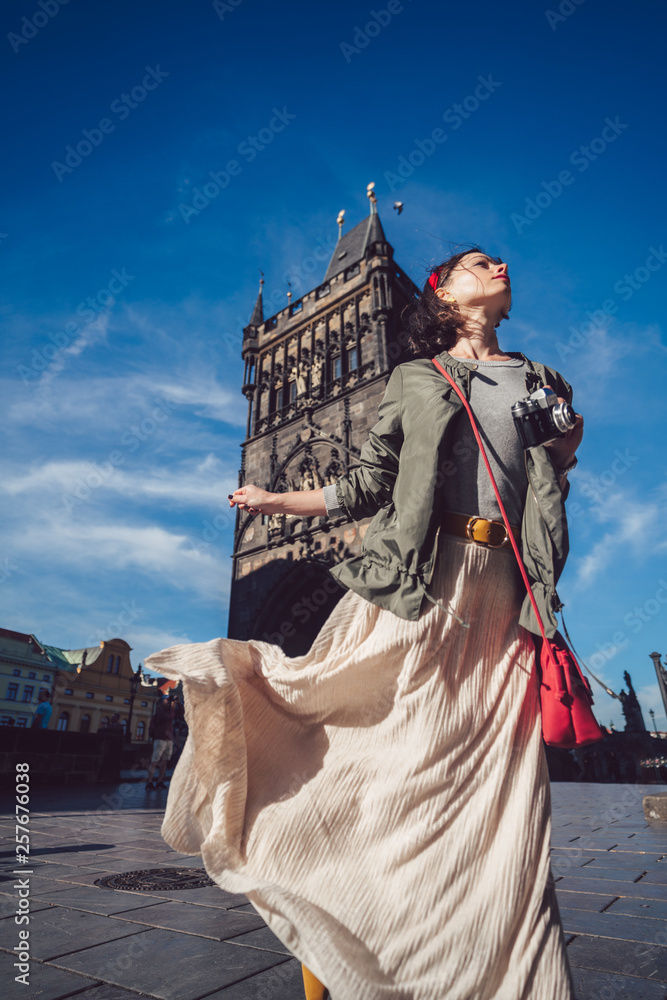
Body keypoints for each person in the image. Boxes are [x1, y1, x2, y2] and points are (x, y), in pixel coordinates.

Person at [146, 247, 583, 1000]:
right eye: (478, 263)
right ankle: (327, 925)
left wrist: (562, 438)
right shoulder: (414, 377)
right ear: (440, 293)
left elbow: (551, 468)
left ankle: (509, 973)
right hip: (422, 575)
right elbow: (369, 481)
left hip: (505, 598)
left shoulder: (540, 378)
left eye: (499, 260)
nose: (500, 264)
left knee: (505, 805)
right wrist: (274, 502)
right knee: (366, 755)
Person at [146, 696, 175, 790]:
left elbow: (180, 713)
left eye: (168, 701)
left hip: (168, 739)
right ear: (161, 702)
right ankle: (149, 782)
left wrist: (177, 704)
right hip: (160, 738)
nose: (168, 702)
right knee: (155, 760)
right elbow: (168, 718)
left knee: (164, 761)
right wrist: (173, 709)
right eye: (166, 700)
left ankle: (159, 781)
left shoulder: (169, 710)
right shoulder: (161, 710)